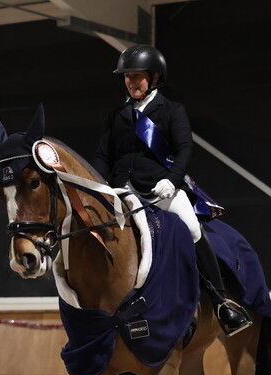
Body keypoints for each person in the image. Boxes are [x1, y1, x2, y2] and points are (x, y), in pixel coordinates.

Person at [91, 44, 252, 336]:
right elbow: (103, 154)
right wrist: (99, 186)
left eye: (137, 76)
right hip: (121, 189)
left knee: (191, 227)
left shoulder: (171, 110)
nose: (130, 82)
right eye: (127, 77)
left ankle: (221, 302)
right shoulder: (117, 115)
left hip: (159, 187)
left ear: (154, 78)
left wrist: (172, 180)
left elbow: (185, 148)